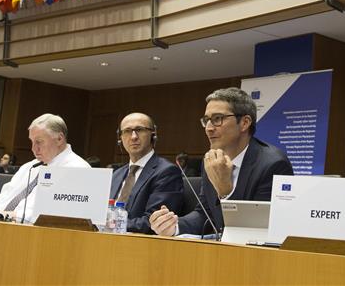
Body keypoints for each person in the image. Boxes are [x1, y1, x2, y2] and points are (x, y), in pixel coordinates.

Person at [150, 87, 293, 237]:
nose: (208, 128)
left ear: (244, 123)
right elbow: (204, 213)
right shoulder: (211, 160)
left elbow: (253, 230)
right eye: (206, 120)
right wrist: (174, 226)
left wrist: (225, 191)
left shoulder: (273, 164)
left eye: (217, 119)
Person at [0, 114, 90, 223]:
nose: (33, 148)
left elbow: (56, 216)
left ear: (59, 139)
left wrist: (9, 216)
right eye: (32, 142)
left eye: (39, 141)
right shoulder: (29, 166)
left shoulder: (79, 170)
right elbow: (3, 198)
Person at [110, 113, 183, 233]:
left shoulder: (167, 172)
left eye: (139, 130)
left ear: (153, 135)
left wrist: (111, 224)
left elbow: (155, 222)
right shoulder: (116, 175)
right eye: (127, 131)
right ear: (120, 138)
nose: (133, 136)